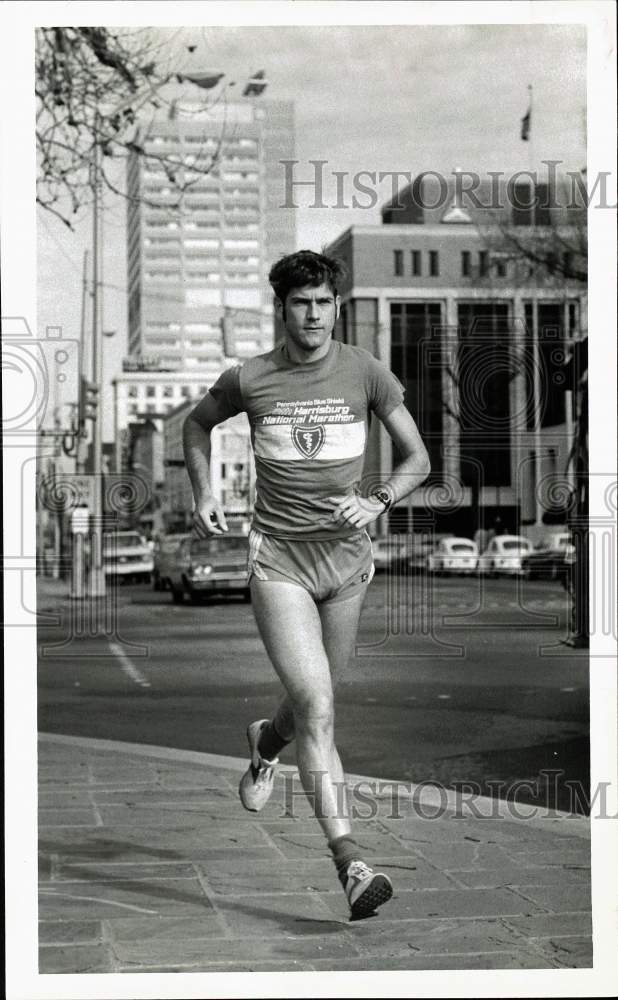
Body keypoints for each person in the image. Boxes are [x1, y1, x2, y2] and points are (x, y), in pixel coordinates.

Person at [183, 250, 430, 920]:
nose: (313, 314)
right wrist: (204, 490)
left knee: (306, 703)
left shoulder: (366, 372)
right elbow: (197, 424)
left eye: (323, 302)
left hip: (348, 567)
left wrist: (377, 500)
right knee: (319, 706)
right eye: (300, 303)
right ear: (283, 308)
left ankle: (266, 743)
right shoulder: (251, 377)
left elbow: (418, 458)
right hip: (280, 563)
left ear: (337, 306)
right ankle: (351, 863)